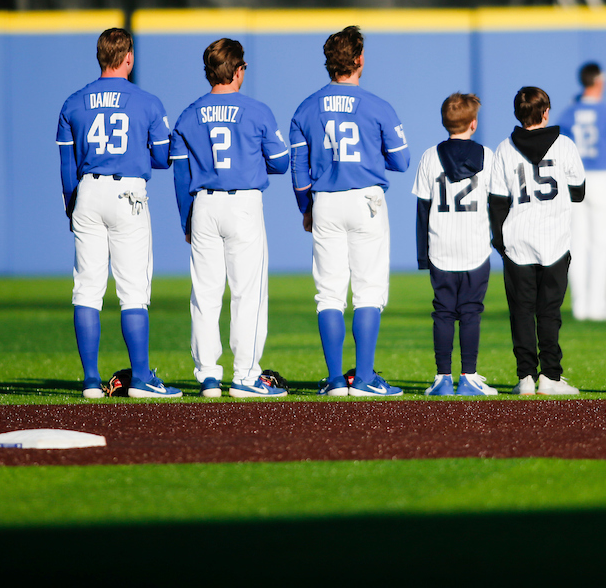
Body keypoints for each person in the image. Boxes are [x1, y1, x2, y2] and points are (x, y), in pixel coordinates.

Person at [56, 27, 180, 398]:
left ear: (100, 58)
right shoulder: (147, 101)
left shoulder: (74, 102)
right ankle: (141, 378)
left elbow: (66, 165)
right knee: (133, 291)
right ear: (128, 58)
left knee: (87, 291)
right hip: (127, 193)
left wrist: (71, 207)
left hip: (87, 191)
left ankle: (92, 382)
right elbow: (162, 157)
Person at [289, 26, 410, 397]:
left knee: (329, 294)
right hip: (365, 200)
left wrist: (306, 208)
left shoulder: (306, 108)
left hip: (325, 200)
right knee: (368, 291)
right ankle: (367, 378)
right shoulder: (377, 106)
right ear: (358, 60)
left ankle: (336, 380)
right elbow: (402, 161)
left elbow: (298, 170)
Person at [170, 38, 291, 399]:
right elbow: (282, 162)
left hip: (204, 204)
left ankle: (208, 376)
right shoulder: (256, 111)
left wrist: (186, 220)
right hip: (242, 205)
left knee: (205, 295)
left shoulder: (189, 113)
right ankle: (244, 376)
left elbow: (179, 174)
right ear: (239, 70)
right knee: (247, 294)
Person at [489, 86, 586, 395]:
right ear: (546, 113)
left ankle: (525, 378)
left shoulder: (505, 148)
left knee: (521, 312)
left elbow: (497, 201)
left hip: (518, 238)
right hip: (555, 239)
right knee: (549, 312)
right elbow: (579, 191)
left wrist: (500, 240)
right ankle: (551, 376)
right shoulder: (564, 145)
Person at [412, 93, 498, 396]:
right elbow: (497, 202)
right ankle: (469, 377)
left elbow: (423, 209)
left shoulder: (429, 156)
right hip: (475, 247)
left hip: (441, 247)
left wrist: (423, 255)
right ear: (473, 123)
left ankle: (442, 378)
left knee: (444, 313)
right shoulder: (487, 156)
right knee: (471, 312)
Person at [557, 62, 606, 321]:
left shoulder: (568, 113)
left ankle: (581, 305)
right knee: (601, 243)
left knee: (576, 243)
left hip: (574, 179)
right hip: (601, 177)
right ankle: (597, 305)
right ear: (598, 80)